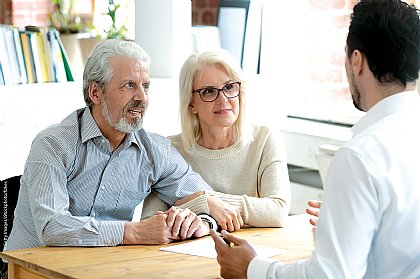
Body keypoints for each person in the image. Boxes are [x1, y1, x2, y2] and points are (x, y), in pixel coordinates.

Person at [211, 0, 420, 278]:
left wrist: (253, 268)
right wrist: (347, 217)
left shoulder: (361, 156)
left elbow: (332, 275)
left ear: (356, 60)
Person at [3, 39, 234, 253]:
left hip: (99, 268)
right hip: (28, 269)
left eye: (146, 86)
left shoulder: (154, 151)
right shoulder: (53, 144)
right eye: (129, 85)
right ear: (95, 92)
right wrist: (135, 231)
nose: (141, 97)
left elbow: (209, 202)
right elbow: (52, 227)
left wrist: (201, 223)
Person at [143, 49, 291, 230]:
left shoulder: (265, 139)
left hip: (248, 251)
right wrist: (207, 204)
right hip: (185, 254)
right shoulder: (168, 151)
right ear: (191, 103)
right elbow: (151, 221)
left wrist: (206, 198)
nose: (223, 99)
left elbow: (278, 211)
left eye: (229, 87)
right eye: (209, 91)